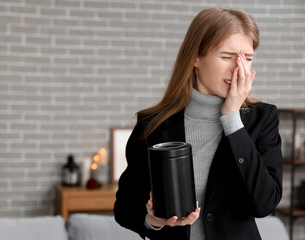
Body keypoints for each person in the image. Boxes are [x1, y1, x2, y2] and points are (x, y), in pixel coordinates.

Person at [114, 7, 283, 240]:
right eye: (226, 57)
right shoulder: (152, 124)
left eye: (248, 58)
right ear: (195, 57)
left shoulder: (262, 119)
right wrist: (153, 221)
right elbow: (125, 208)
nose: (238, 69)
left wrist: (232, 118)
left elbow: (265, 204)